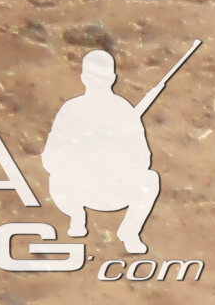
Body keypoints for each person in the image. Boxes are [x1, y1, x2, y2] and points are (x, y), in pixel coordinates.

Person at [42, 48, 163, 254]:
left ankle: (129, 231)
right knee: (57, 178)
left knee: (150, 179)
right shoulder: (73, 110)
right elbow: (50, 158)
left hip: (114, 188)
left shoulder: (123, 111)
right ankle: (77, 217)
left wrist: (115, 152)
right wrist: (84, 149)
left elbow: (143, 159)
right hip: (79, 189)